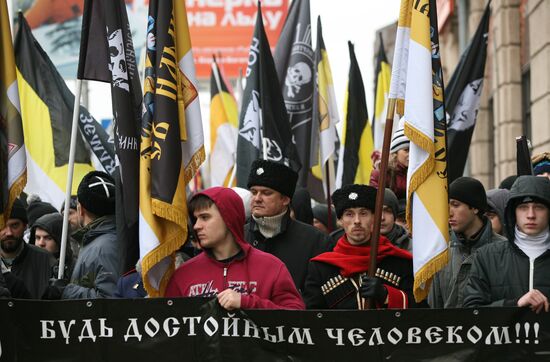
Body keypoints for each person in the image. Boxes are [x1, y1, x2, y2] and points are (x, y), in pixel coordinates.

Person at [165, 187, 305, 310]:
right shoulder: (183, 274)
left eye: (205, 217)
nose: (196, 226)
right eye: (195, 219)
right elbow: (168, 327)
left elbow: (297, 318)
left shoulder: (271, 267)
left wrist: (247, 302)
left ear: (229, 218)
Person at [303, 184, 417, 309]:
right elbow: (312, 319)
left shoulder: (399, 262)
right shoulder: (321, 267)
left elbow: (420, 310)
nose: (357, 221)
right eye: (349, 214)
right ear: (340, 220)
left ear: (374, 218)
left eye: (363, 213)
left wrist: (386, 295)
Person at [464, 176, 550, 312]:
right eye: (523, 207)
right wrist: (515, 304)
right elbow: (472, 312)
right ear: (513, 212)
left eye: (539, 207)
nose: (531, 215)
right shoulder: (487, 257)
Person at [245, 159, 330, 292]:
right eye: (254, 192)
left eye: (266, 193)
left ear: (285, 199)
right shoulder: (237, 236)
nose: (257, 198)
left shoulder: (315, 240)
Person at [429, 177, 506, 308]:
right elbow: (433, 307)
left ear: (475, 208)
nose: (449, 213)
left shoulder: (504, 249)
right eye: (446, 205)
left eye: (455, 205)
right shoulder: (441, 249)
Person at [43, 171, 120, 299]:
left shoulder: (105, 247)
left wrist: (65, 291)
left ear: (81, 209)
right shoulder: (95, 240)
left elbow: (109, 300)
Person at [0, 198, 55, 299]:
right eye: (2, 225)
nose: (9, 233)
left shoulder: (45, 260)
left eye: (15, 225)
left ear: (25, 226)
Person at [370, 120, 409, 200]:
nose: (410, 154)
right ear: (396, 152)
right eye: (406, 150)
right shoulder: (381, 173)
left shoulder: (420, 172)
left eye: (413, 151)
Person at [31, 212, 74, 280]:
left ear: (59, 240)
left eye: (48, 238)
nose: (41, 243)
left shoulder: (73, 268)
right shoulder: (27, 265)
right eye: (37, 238)